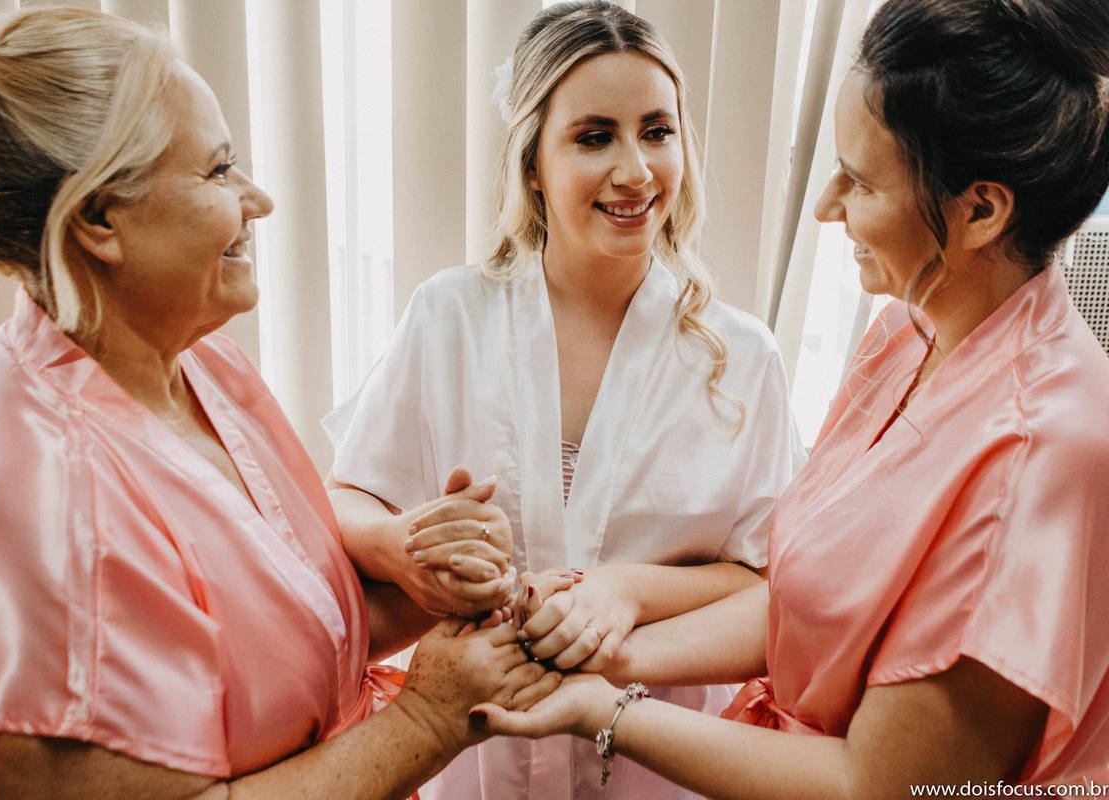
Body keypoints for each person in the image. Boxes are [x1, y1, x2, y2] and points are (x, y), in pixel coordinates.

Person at [0, 8, 559, 799]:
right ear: (98, 219)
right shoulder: (29, 508)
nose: (257, 200)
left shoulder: (193, 359)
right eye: (218, 172)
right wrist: (427, 719)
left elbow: (279, 641)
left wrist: (419, 579)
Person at [473, 0, 1109, 794]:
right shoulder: (908, 331)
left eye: (861, 181)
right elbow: (805, 601)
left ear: (980, 209)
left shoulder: (1041, 451)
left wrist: (601, 709)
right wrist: (606, 646)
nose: (826, 205)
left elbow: (877, 784)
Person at [322, 2, 803, 798]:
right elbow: (345, 496)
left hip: (662, 766)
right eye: (593, 136)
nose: (636, 171)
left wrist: (626, 594)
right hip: (477, 761)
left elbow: (767, 588)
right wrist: (403, 545)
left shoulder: (743, 358)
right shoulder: (448, 317)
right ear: (533, 164)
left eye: (657, 131)